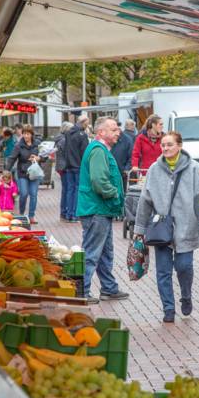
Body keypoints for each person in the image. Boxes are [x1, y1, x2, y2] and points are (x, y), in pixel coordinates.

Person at [134, 132, 199, 323]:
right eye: (163, 145)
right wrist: (139, 228)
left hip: (186, 225)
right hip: (161, 228)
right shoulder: (154, 169)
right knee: (163, 271)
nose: (165, 148)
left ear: (179, 146)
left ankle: (186, 296)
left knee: (184, 266)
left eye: (169, 145)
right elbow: (145, 199)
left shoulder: (193, 168)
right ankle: (168, 309)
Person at [77, 117, 130, 303]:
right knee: (92, 252)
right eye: (114, 129)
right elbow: (99, 181)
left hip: (99, 209)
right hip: (96, 209)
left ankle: (108, 288)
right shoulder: (98, 151)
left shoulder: (99, 149)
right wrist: (114, 194)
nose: (118, 132)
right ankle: (81, 291)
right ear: (101, 132)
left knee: (105, 251)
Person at [6, 125, 41, 224]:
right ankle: (21, 213)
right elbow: (12, 158)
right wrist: (6, 170)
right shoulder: (18, 145)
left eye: (28, 134)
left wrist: (39, 158)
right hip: (23, 172)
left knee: (33, 194)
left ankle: (31, 216)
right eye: (24, 134)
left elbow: (43, 155)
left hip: (34, 173)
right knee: (24, 193)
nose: (26, 136)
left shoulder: (37, 144)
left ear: (32, 134)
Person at [62, 114, 91, 222]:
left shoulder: (68, 133)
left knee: (70, 190)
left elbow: (66, 149)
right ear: (83, 123)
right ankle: (75, 214)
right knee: (78, 190)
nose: (87, 126)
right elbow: (85, 152)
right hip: (79, 166)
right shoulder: (82, 135)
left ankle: (69, 214)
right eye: (87, 124)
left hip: (69, 165)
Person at [54, 122, 73, 220]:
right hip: (65, 167)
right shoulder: (64, 140)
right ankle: (64, 212)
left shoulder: (59, 138)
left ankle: (63, 212)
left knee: (65, 190)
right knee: (67, 190)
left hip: (61, 166)